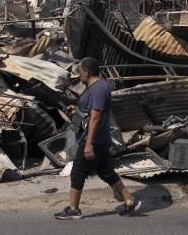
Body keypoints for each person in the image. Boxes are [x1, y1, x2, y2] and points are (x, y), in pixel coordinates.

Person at [55, 57, 142, 220]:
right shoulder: (94, 87)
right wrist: (77, 108)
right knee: (105, 171)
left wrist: (88, 144)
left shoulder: (99, 89)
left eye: (80, 71)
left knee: (78, 171)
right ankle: (130, 201)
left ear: (86, 72)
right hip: (100, 140)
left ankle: (73, 209)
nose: (79, 75)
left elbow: (95, 117)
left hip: (95, 140)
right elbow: (90, 110)